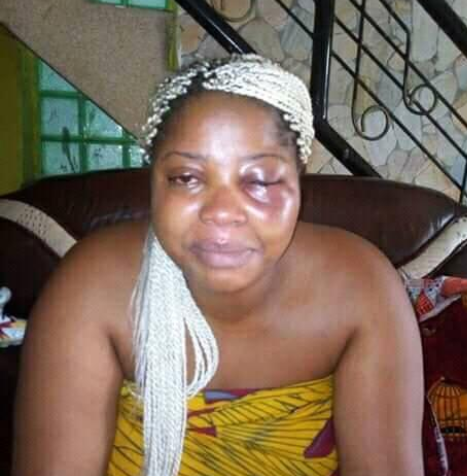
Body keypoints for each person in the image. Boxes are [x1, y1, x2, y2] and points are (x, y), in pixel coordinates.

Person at [12, 54, 425, 476]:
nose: (222, 211)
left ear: (299, 181)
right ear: (152, 180)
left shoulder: (361, 289)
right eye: (187, 178)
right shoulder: (91, 288)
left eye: (259, 180)